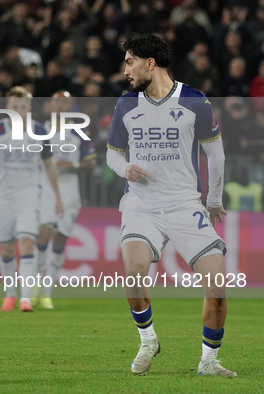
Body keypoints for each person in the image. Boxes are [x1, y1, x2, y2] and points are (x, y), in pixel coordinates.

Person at [106, 34, 236, 377]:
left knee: (217, 287)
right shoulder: (126, 104)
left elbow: (215, 150)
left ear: (151, 63)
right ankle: (148, 340)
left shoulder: (194, 100)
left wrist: (213, 199)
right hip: (140, 205)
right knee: (133, 275)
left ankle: (209, 360)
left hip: (183, 205)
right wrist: (124, 168)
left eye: (130, 61)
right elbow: (112, 152)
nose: (125, 70)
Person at [0, 86, 63, 312]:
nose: (19, 110)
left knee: (26, 242)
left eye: (23, 107)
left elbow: (49, 166)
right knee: (6, 248)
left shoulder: (40, 131)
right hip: (3, 197)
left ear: (29, 108)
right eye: (14, 106)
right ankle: (10, 294)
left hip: (29, 196)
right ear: (7, 108)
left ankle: (25, 298)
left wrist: (57, 197)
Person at [33, 91, 96, 310]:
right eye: (56, 102)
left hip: (69, 191)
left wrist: (74, 165)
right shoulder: (40, 130)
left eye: (65, 102)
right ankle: (34, 287)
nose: (60, 106)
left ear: (70, 106)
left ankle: (47, 292)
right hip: (45, 188)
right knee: (43, 234)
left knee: (59, 239)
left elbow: (91, 162)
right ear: (50, 105)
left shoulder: (79, 131)